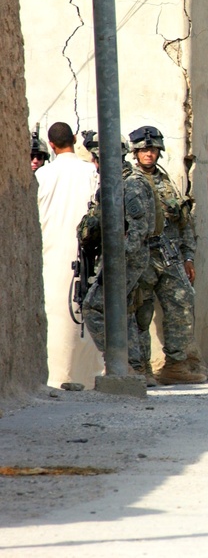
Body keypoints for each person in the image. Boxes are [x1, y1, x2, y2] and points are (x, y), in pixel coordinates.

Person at [128, 125, 206, 384]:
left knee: (182, 304)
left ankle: (175, 364)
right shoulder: (128, 181)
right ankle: (140, 369)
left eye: (152, 149)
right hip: (140, 258)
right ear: (135, 152)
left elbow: (184, 224)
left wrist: (188, 257)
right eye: (143, 150)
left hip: (169, 256)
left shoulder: (168, 183)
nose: (148, 154)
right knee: (140, 311)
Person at [82, 146, 161, 386]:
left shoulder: (130, 185)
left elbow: (139, 230)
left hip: (127, 260)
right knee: (125, 312)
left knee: (93, 307)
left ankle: (118, 363)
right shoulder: (120, 182)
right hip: (126, 258)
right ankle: (135, 369)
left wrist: (117, 263)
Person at [34, 121, 104, 388]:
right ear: (74, 139)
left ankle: (55, 379)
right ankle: (87, 379)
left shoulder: (42, 175)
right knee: (85, 317)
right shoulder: (91, 172)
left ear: (51, 145)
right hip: (87, 255)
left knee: (55, 317)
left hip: (50, 255)